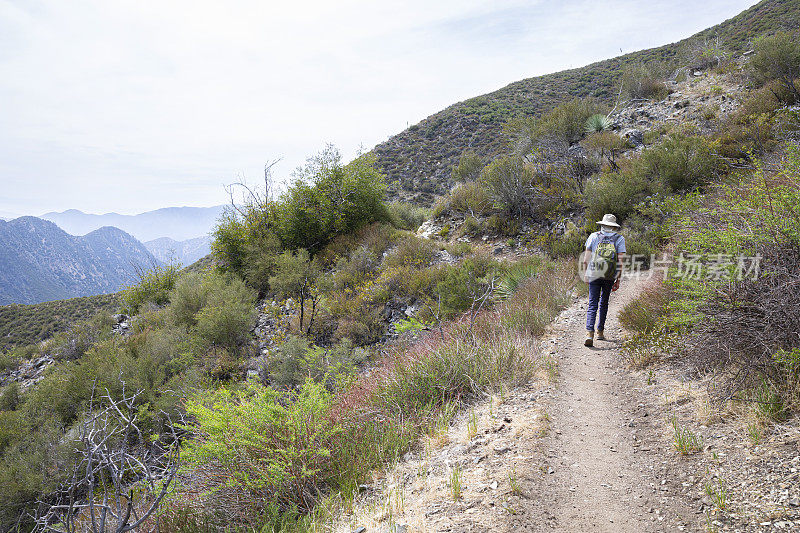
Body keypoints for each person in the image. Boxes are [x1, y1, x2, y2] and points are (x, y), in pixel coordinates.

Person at [582, 213, 626, 347]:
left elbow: (586, 258)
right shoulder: (619, 238)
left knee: (592, 303)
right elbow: (620, 261)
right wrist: (618, 279)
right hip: (609, 275)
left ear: (602, 224)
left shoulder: (593, 236)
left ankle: (590, 333)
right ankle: (600, 331)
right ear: (613, 227)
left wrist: (585, 273)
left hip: (594, 273)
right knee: (604, 302)